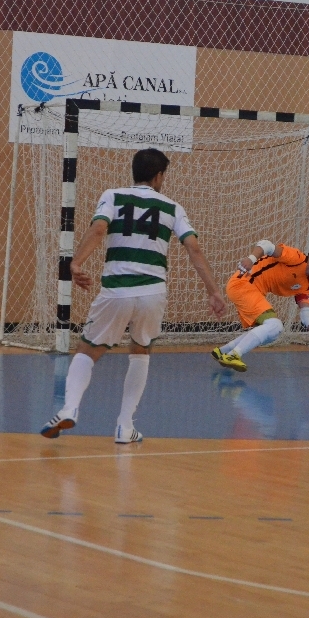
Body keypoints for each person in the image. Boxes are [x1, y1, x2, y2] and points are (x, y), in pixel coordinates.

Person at [40, 148, 225, 443]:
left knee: (87, 350)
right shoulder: (172, 207)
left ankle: (69, 408)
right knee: (141, 351)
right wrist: (213, 291)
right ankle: (125, 427)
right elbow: (194, 249)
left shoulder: (113, 195)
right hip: (153, 292)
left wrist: (75, 263)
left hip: (117, 289)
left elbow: (99, 229)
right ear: (159, 175)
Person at [212, 240, 309, 372]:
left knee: (271, 334)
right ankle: (233, 355)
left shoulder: (306, 284)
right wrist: (251, 258)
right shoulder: (297, 258)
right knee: (275, 325)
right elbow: (266, 245)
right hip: (243, 283)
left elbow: (307, 314)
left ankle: (222, 351)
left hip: (252, 291)